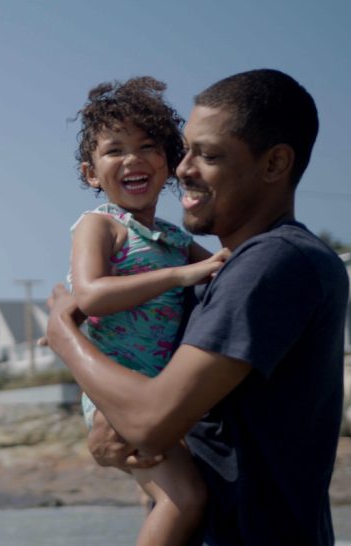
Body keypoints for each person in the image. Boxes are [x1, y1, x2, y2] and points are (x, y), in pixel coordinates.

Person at [46, 69, 348, 545]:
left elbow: (149, 421)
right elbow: (206, 422)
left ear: (275, 164)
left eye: (206, 154)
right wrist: (116, 438)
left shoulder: (272, 264)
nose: (184, 168)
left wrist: (64, 336)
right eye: (184, 149)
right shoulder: (227, 270)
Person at [65, 76, 229, 546]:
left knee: (168, 499)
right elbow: (92, 294)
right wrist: (178, 277)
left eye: (147, 146)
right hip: (117, 397)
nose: (132, 159)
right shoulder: (100, 226)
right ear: (91, 174)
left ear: (170, 163)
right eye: (115, 151)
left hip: (165, 399)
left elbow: (227, 272)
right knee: (185, 499)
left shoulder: (175, 240)